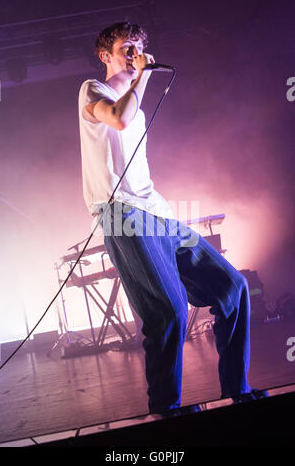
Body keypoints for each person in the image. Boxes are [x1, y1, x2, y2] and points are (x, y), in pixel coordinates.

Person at [78, 21, 267, 416]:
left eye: (140, 47)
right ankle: (166, 409)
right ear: (105, 56)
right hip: (121, 213)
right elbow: (119, 118)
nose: (135, 54)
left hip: (157, 211)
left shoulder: (138, 103)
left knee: (233, 287)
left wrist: (139, 80)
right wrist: (142, 76)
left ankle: (239, 388)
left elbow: (136, 151)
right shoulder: (93, 91)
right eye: (127, 47)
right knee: (168, 309)